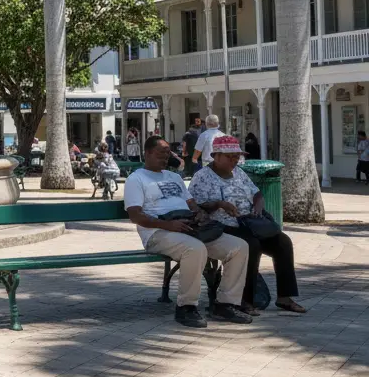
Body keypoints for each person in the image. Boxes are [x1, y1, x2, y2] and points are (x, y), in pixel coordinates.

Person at [124, 136, 251, 328]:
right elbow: (135, 216)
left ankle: (225, 304)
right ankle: (186, 307)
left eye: (168, 154)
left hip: (189, 228)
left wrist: (199, 214)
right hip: (157, 233)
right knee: (195, 249)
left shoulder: (174, 177)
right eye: (160, 153)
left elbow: (191, 204)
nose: (165, 158)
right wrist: (169, 225)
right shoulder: (136, 179)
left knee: (238, 247)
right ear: (147, 153)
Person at [188, 134, 304, 315]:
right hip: (222, 225)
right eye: (230, 157)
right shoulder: (201, 177)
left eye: (237, 156)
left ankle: (285, 297)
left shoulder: (239, 172)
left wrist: (258, 206)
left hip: (249, 221)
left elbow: (256, 193)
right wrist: (220, 204)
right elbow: (197, 205)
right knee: (251, 245)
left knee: (283, 242)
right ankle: (246, 300)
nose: (234, 160)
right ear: (215, 156)